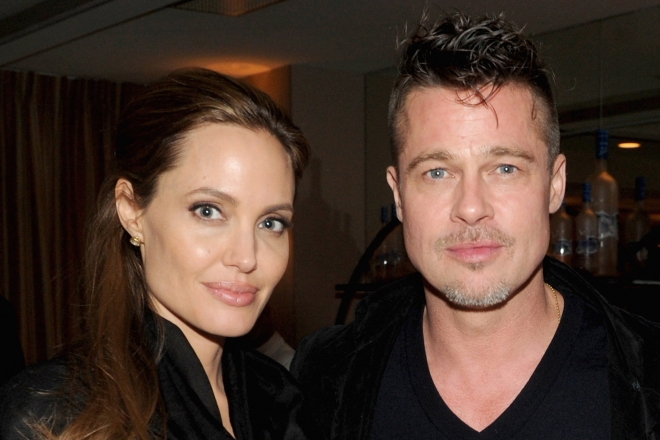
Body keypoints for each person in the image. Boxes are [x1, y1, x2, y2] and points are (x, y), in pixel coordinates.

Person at [291, 11, 660, 440]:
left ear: (555, 185)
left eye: (504, 168)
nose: (470, 207)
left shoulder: (650, 378)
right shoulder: (323, 382)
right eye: (437, 172)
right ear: (399, 195)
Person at [0, 67, 311, 439]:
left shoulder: (279, 397)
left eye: (271, 222)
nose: (247, 257)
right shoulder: (53, 412)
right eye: (208, 211)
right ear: (132, 211)